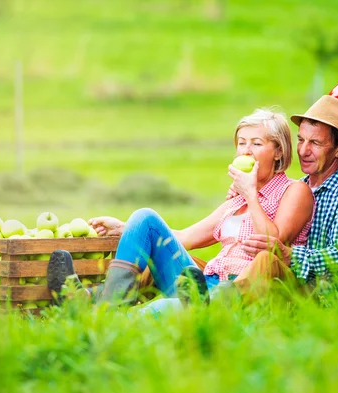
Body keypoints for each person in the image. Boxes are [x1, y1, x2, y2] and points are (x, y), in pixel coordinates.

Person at [46, 107, 314, 306]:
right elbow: (185, 238)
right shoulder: (236, 200)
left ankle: (101, 307)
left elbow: (272, 241)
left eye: (256, 144)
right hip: (205, 283)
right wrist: (129, 230)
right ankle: (93, 302)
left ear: (278, 151)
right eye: (241, 143)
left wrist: (251, 194)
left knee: (163, 309)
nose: (246, 151)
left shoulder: (294, 190)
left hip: (239, 292)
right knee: (145, 218)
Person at [220, 95, 338, 301]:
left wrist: (290, 256)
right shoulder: (297, 186)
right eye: (301, 139)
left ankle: (212, 303)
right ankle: (201, 297)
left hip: (323, 299)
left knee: (266, 261)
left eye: (315, 143)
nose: (303, 150)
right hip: (289, 287)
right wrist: (240, 201)